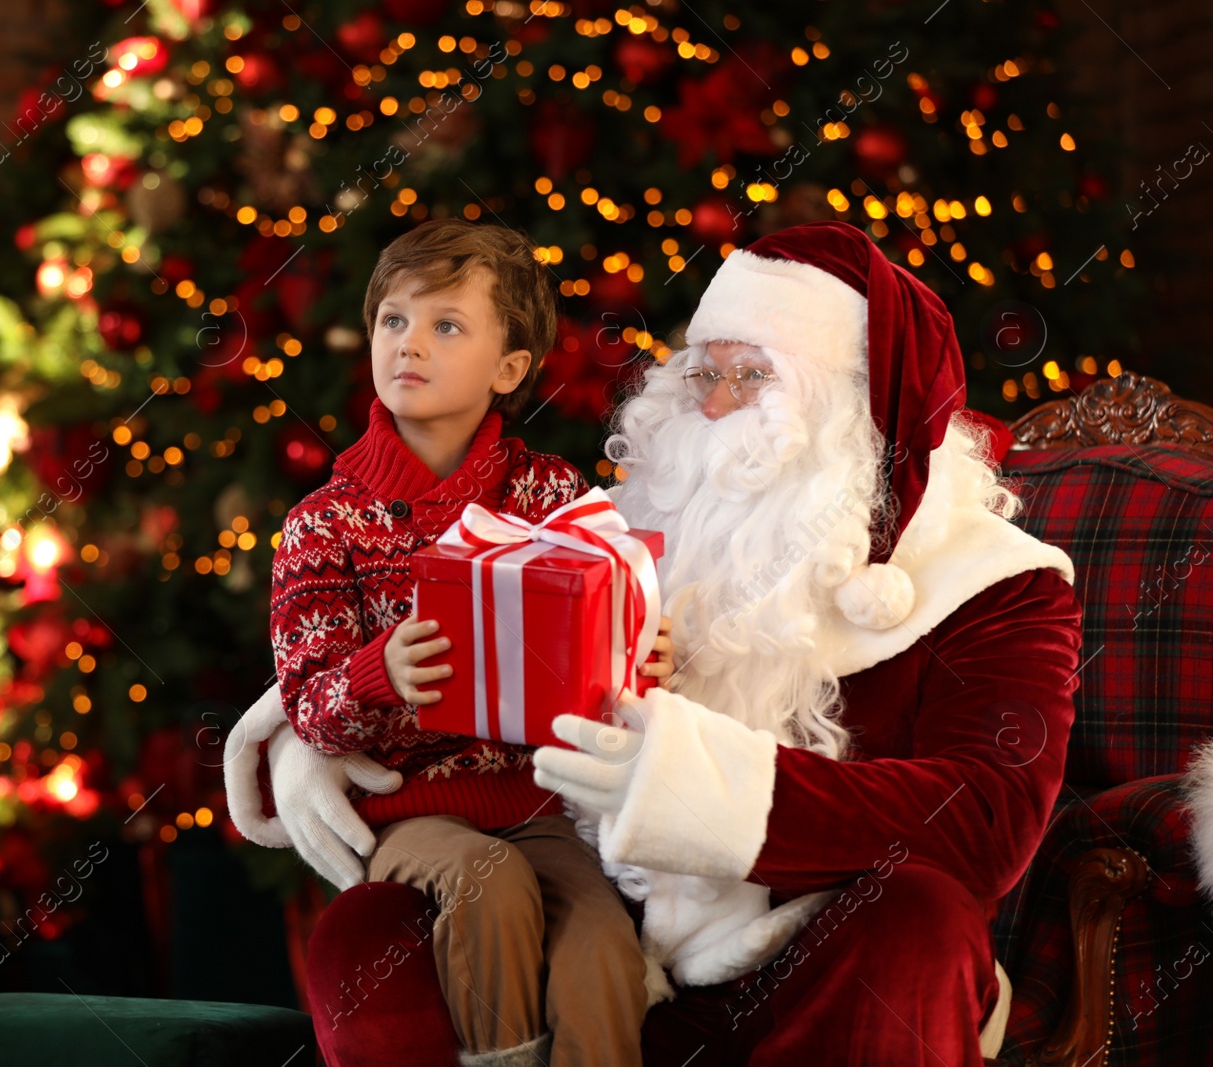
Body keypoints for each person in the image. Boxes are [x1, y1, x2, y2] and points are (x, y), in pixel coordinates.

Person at [229, 220, 1082, 1065]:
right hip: (619, 932)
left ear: (846, 401)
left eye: (750, 377)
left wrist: (698, 789)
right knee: (367, 933)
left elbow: (983, 821)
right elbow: (470, 600)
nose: (710, 404)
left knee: (917, 919)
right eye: (702, 369)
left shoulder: (990, 580)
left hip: (822, 958)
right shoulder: (636, 510)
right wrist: (312, 731)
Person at [256, 216, 673, 1067]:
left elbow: (608, 632)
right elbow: (307, 708)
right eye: (393, 320)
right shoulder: (324, 523)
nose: (410, 344)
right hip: (410, 812)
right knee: (492, 885)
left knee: (601, 946)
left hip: (539, 803)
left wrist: (636, 653)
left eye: (446, 325)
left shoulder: (550, 493)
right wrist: (380, 674)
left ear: (509, 367)